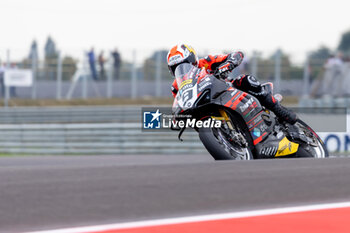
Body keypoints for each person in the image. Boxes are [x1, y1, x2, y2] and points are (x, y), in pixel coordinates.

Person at [167, 44, 297, 124]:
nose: (182, 68)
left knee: (246, 81)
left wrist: (228, 64)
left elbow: (236, 55)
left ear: (192, 59)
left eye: (184, 63)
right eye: (176, 67)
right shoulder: (176, 87)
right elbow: (180, 102)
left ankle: (278, 109)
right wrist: (176, 116)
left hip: (228, 90)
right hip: (204, 106)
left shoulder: (206, 62)